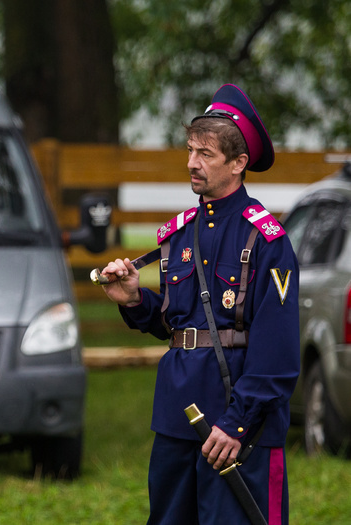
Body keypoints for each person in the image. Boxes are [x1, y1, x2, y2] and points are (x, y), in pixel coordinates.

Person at [99, 84, 299, 524]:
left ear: (239, 162)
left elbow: (277, 352)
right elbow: (177, 323)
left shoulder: (267, 242)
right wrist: (134, 299)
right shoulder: (179, 233)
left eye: (205, 154)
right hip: (176, 419)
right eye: (190, 150)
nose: (192, 163)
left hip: (237, 427)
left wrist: (237, 423)